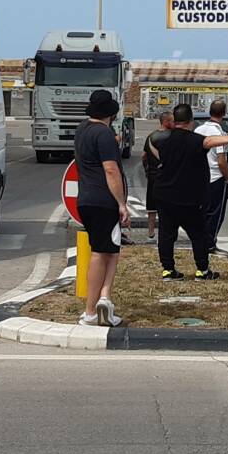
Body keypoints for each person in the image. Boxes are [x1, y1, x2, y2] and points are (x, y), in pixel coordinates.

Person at [151, 103, 228, 280]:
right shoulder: (195, 140)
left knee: (166, 234)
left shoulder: (162, 141)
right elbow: (209, 141)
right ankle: (202, 270)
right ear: (191, 121)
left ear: (174, 121)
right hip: (189, 198)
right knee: (198, 234)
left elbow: (152, 147)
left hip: (164, 196)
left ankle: (168, 270)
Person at [73, 90, 131, 326]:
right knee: (100, 252)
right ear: (111, 113)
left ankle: (105, 297)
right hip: (103, 200)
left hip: (85, 198)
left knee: (111, 249)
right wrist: (121, 203)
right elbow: (110, 169)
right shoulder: (104, 134)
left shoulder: (82, 130)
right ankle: (91, 311)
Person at [195, 100, 228, 256]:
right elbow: (221, 160)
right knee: (216, 213)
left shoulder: (198, 130)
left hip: (200, 177)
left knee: (202, 212)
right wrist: (227, 177)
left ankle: (200, 240)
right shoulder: (220, 134)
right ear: (224, 113)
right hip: (216, 177)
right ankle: (210, 243)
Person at [141, 111, 173, 239]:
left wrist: (146, 170)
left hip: (153, 176)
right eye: (172, 121)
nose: (174, 123)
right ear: (166, 122)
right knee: (167, 204)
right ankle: (167, 230)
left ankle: (151, 231)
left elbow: (143, 156)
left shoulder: (151, 136)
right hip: (168, 175)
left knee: (151, 205)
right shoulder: (172, 136)